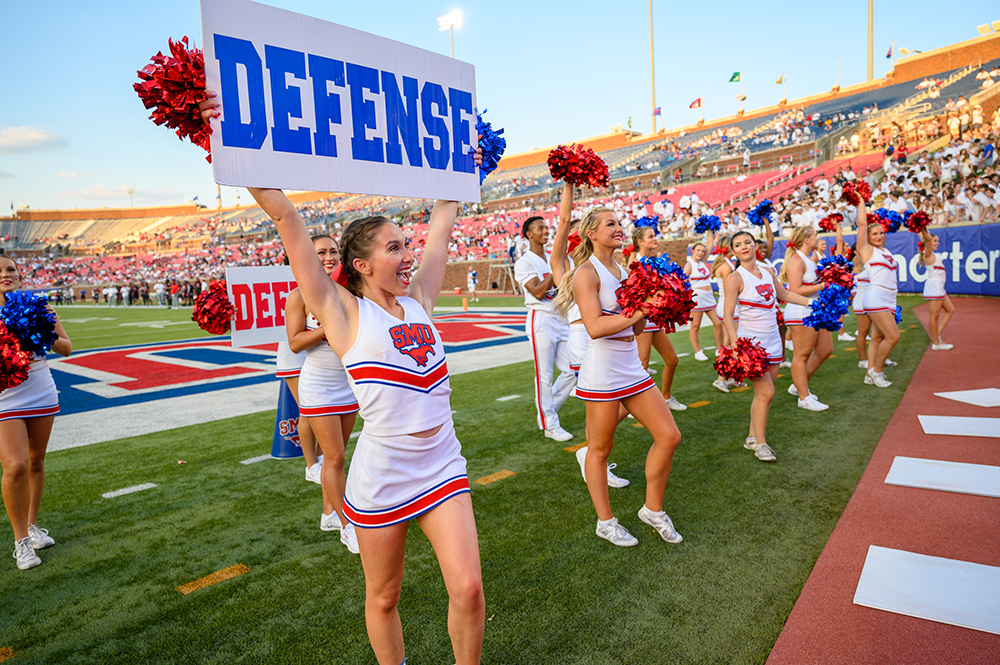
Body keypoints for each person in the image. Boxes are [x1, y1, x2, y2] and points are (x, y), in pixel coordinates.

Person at [202, 88, 486, 664]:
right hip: (384, 473)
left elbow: (446, 214)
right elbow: (287, 217)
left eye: (407, 245)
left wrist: (467, 155)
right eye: (393, 248)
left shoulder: (421, 298)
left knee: (470, 589)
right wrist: (223, 138)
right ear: (360, 264)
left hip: (443, 463)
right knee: (383, 597)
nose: (408, 255)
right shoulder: (341, 312)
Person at [555, 206, 683, 548]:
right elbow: (595, 327)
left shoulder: (624, 269)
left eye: (618, 222)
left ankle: (653, 510)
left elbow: (637, 325)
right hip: (602, 370)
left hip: (630, 364)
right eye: (610, 223)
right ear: (592, 233)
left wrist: (655, 305)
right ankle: (606, 522)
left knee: (669, 435)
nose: (618, 227)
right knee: (599, 450)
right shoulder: (586, 273)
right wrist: (641, 308)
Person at [551, 183, 630, 489]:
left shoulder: (604, 267)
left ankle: (592, 452)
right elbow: (562, 221)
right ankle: (593, 454)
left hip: (611, 337)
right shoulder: (566, 268)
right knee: (602, 405)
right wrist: (569, 184)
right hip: (585, 339)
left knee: (618, 402)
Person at [286, 234, 360, 552]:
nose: (328, 256)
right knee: (336, 457)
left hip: (348, 383)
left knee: (336, 458)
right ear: (309, 257)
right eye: (321, 252)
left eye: (333, 251)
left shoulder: (350, 291)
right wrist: (326, 326)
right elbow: (295, 342)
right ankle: (348, 526)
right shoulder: (299, 296)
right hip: (318, 385)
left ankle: (329, 514)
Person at [0, 256, 73, 570]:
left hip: (40, 387)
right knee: (16, 466)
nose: (5, 274)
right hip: (3, 394)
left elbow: (67, 347)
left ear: (19, 275)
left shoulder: (38, 305)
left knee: (36, 460)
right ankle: (21, 543)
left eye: (10, 269)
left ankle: (31, 527)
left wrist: (42, 334)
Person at [722, 232, 813, 463]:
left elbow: (783, 294)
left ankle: (752, 437)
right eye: (738, 245)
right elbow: (728, 314)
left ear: (755, 246)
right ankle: (761, 445)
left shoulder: (768, 272)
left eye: (747, 243)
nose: (744, 247)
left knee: (763, 395)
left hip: (773, 340)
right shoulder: (735, 278)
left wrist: (811, 302)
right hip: (751, 345)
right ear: (733, 251)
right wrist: (734, 343)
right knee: (767, 392)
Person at [515, 215, 575, 442]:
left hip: (560, 317)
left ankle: (549, 408)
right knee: (544, 375)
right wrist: (554, 270)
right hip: (540, 318)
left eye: (546, 227)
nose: (545, 231)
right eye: (540, 228)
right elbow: (538, 292)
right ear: (529, 234)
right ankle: (549, 424)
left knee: (573, 368)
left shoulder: (553, 257)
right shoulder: (524, 262)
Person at [631, 224, 686, 411]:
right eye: (650, 236)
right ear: (639, 242)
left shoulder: (655, 261)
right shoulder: (634, 263)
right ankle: (634, 406)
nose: (655, 239)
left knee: (672, 359)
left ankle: (666, 397)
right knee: (642, 364)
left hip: (655, 319)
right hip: (642, 319)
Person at [780, 226, 831, 411]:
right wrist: (823, 286)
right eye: (815, 235)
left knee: (825, 350)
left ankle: (798, 385)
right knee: (802, 355)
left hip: (816, 309)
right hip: (801, 311)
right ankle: (804, 397)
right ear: (807, 240)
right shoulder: (796, 260)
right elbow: (794, 290)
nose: (818, 237)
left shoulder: (810, 259)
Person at [857, 201, 899, 387]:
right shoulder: (867, 251)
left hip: (889, 299)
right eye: (874, 233)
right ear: (867, 236)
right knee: (893, 336)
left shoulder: (886, 251)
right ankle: (877, 371)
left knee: (877, 338)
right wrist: (860, 202)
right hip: (876, 298)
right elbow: (861, 224)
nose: (879, 236)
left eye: (881, 233)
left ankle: (868, 375)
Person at [684, 234, 723, 362]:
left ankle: (719, 349)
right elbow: (682, 283)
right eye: (698, 250)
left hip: (709, 297)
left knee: (718, 323)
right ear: (692, 251)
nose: (701, 253)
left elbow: (710, 246)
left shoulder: (702, 262)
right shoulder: (689, 265)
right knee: (695, 326)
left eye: (702, 251)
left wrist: (710, 230)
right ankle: (698, 352)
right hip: (697, 299)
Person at [918, 231, 955, 350]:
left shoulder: (933, 254)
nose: (937, 243)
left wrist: (920, 226)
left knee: (950, 309)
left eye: (938, 241)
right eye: (935, 241)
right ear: (928, 242)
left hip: (939, 288)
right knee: (934, 316)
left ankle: (937, 335)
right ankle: (936, 343)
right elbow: (926, 239)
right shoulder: (927, 255)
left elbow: (924, 238)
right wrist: (924, 228)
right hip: (934, 287)